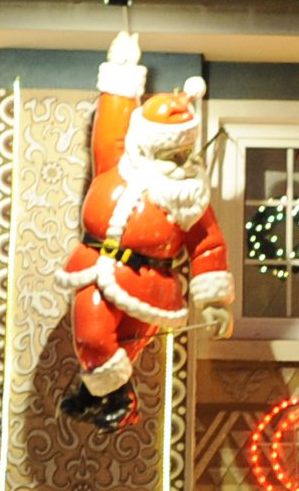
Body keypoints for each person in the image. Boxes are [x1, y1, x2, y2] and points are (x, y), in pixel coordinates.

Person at [58, 32, 231, 429]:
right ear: (149, 146)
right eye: (173, 153)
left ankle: (102, 398)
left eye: (186, 152)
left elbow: (207, 246)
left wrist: (215, 302)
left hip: (150, 284)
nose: (182, 161)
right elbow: (113, 121)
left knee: (125, 347)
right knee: (92, 333)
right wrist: (122, 72)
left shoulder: (188, 195)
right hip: (95, 266)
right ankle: (115, 398)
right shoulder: (119, 159)